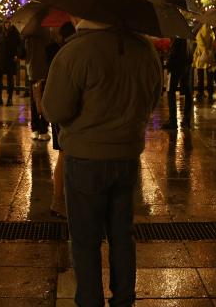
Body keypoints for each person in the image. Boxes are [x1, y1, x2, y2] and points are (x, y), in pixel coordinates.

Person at [42, 18, 163, 307]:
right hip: (127, 156)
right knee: (122, 235)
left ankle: (90, 300)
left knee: (85, 239)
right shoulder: (145, 50)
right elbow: (154, 96)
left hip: (86, 157)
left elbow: (54, 109)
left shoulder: (76, 51)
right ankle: (124, 299)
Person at [43, 20, 76, 218]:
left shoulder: (55, 51)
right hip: (65, 110)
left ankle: (58, 199)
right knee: (64, 155)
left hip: (59, 108)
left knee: (64, 155)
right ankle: (58, 199)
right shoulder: (67, 54)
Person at [162, 35, 193, 129]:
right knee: (188, 93)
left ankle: (173, 121)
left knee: (170, 92)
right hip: (186, 67)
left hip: (176, 68)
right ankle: (187, 120)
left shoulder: (178, 38)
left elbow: (174, 55)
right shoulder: (187, 38)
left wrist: (168, 63)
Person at [25, 28, 50, 140]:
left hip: (32, 72)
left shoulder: (27, 39)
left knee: (34, 100)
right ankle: (43, 130)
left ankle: (34, 129)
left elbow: (21, 54)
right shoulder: (48, 38)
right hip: (45, 72)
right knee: (44, 99)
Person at [0, 19, 21, 106]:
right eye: (6, 23)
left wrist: (17, 54)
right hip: (1, 58)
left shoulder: (14, 32)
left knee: (10, 79)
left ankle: (9, 99)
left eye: (9, 23)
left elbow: (19, 44)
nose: (7, 24)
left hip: (10, 58)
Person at [192, 22, 215, 100]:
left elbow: (200, 44)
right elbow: (213, 42)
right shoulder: (211, 32)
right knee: (210, 76)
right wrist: (209, 50)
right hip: (209, 56)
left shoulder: (200, 33)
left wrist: (204, 51)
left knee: (200, 76)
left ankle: (200, 92)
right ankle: (210, 91)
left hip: (201, 57)